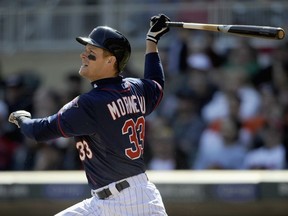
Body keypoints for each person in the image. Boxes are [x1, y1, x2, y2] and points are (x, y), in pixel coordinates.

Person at [8, 14, 170, 216]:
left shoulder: (92, 103)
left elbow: (39, 131)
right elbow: (156, 83)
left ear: (111, 60)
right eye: (85, 51)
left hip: (129, 204)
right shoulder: (135, 88)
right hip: (109, 200)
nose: (83, 56)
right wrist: (152, 42)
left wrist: (22, 118)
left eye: (92, 53)